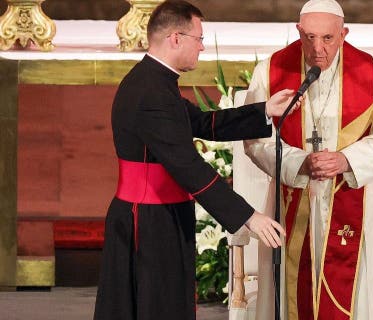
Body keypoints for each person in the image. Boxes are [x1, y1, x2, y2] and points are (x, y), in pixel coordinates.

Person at [93, 1, 298, 319]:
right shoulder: (153, 93)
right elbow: (188, 165)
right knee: (157, 307)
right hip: (148, 220)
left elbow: (203, 124)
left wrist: (264, 111)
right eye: (198, 38)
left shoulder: (156, 81)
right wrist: (248, 216)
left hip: (158, 213)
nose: (202, 46)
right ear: (176, 38)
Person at [242, 0, 373, 319]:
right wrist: (300, 163)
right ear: (297, 31)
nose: (316, 48)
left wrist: (347, 160)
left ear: (344, 33)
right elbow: (255, 141)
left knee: (360, 290)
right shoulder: (271, 70)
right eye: (308, 37)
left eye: (327, 38)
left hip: (358, 196)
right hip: (294, 194)